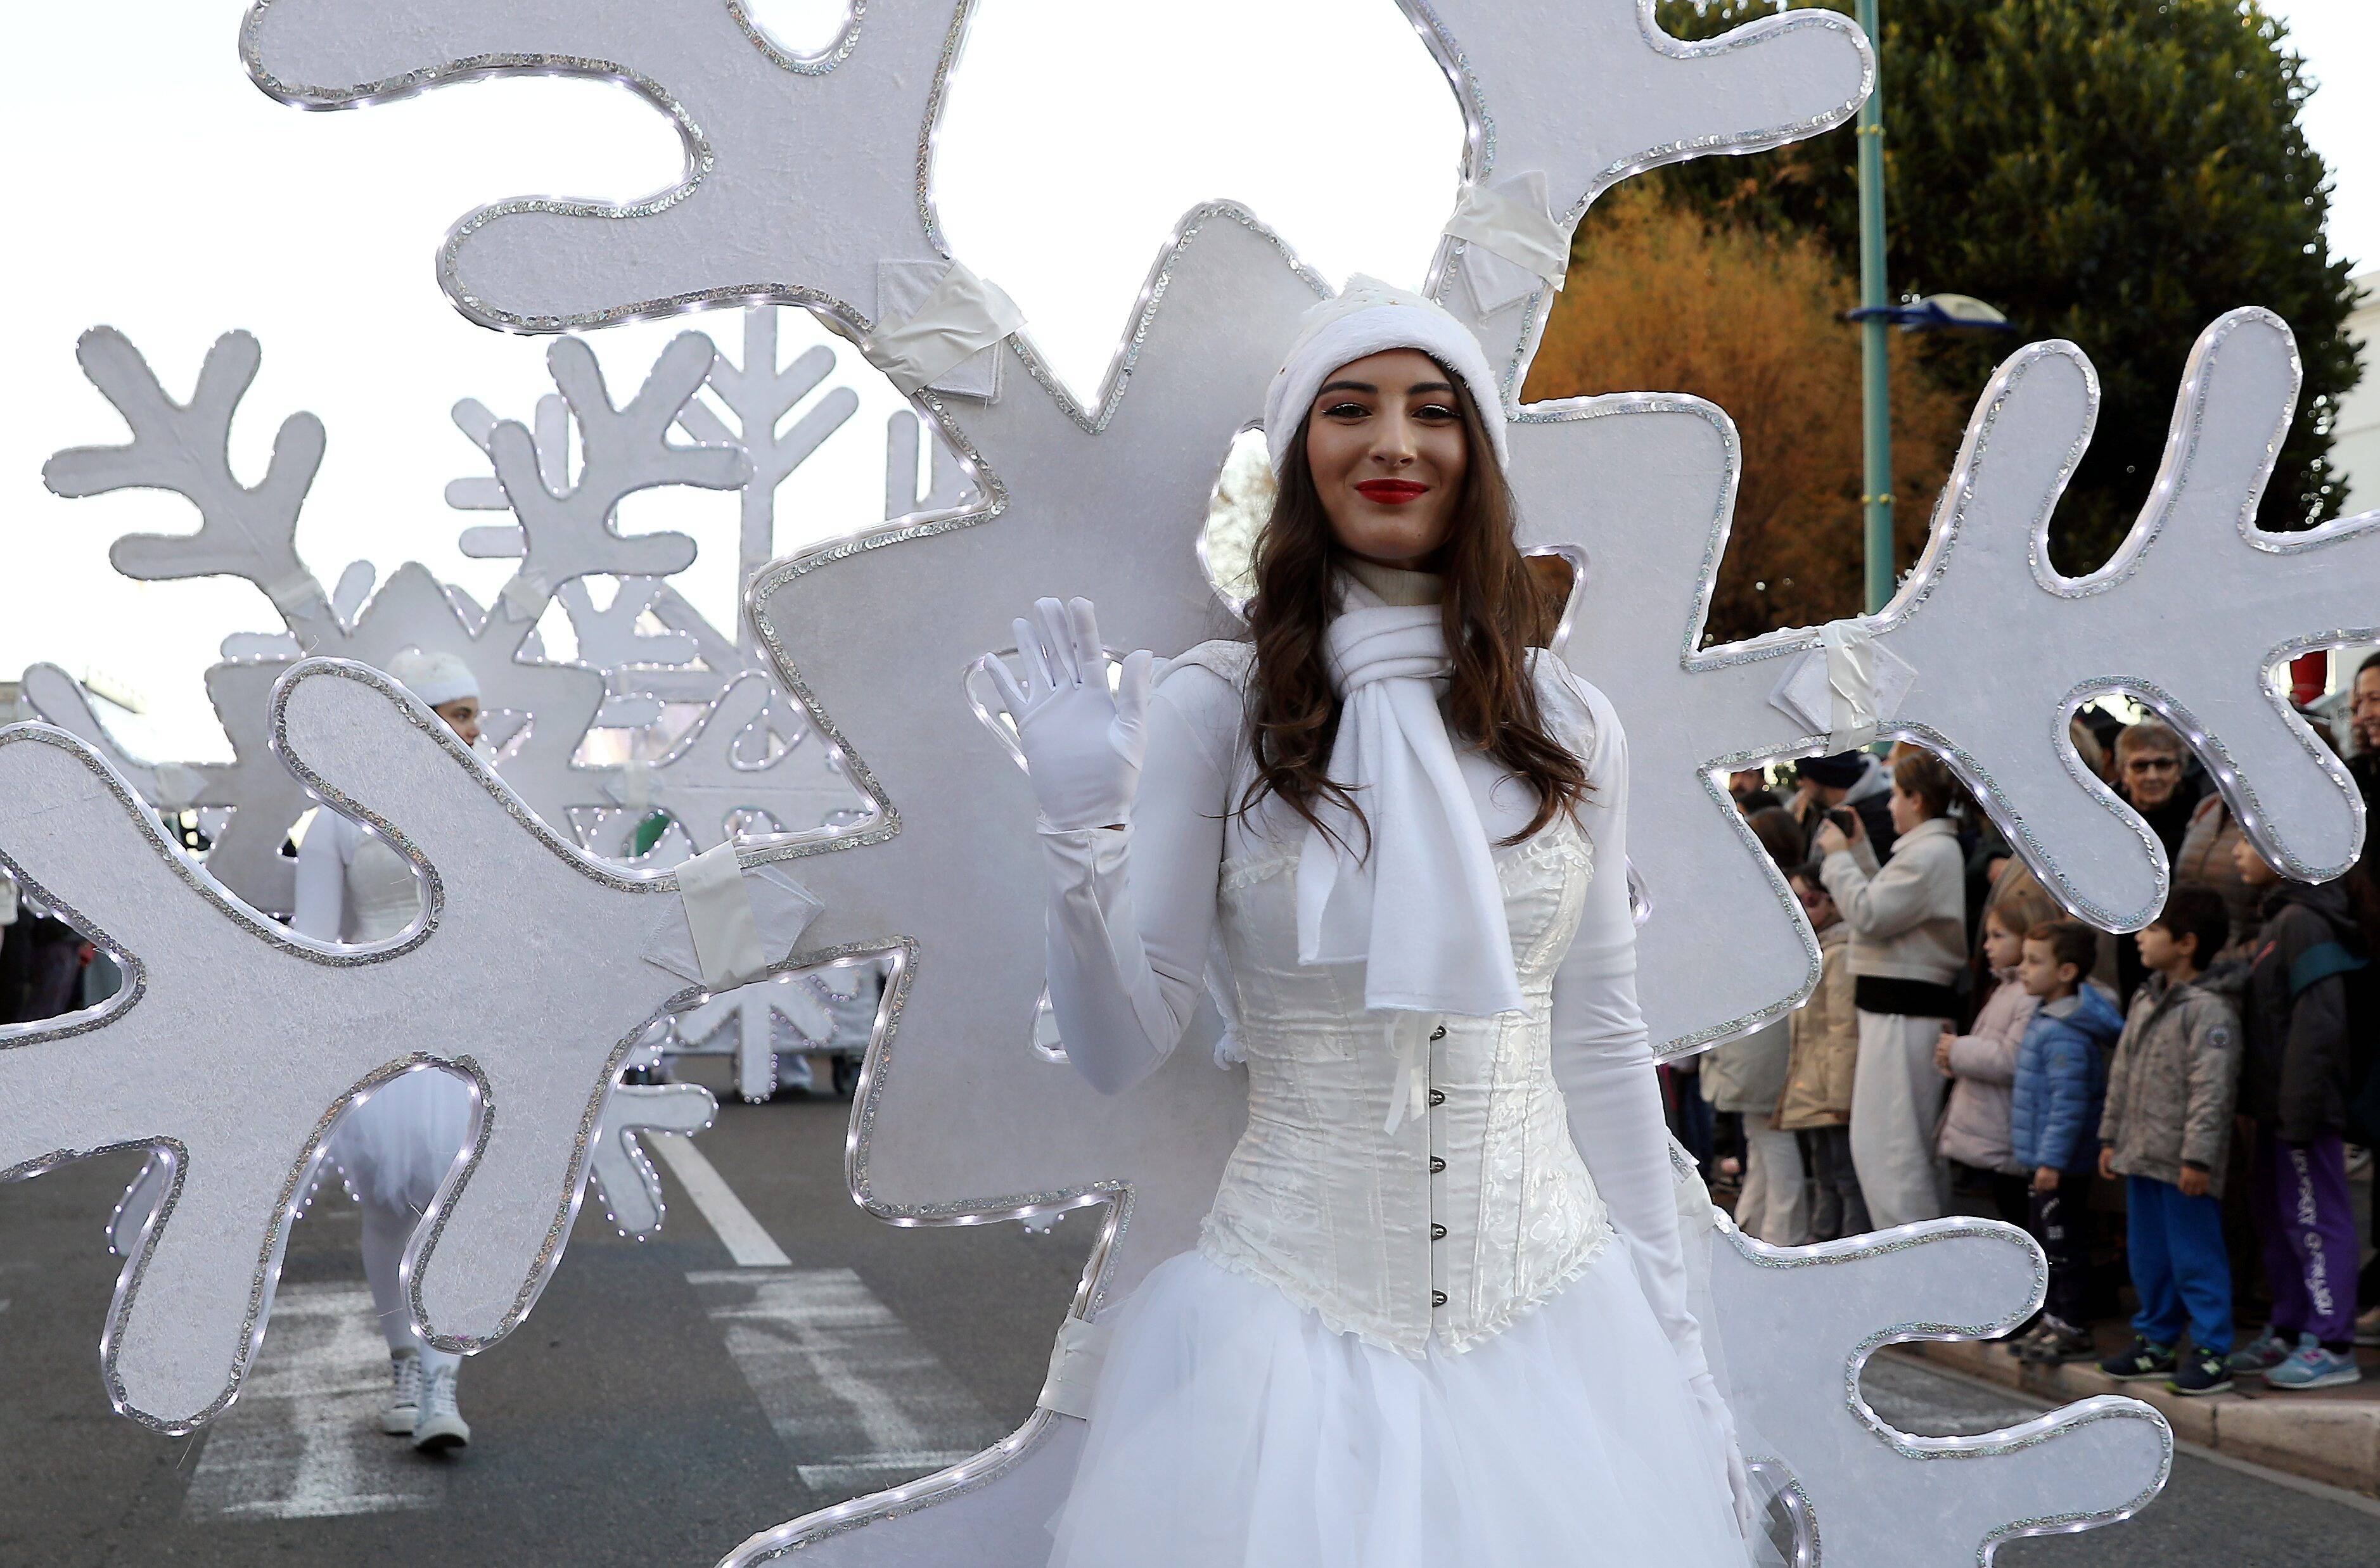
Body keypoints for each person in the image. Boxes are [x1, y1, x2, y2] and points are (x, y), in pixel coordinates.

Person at [990, 278, 1754, 1564]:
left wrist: (1681, 1361)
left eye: (1431, 410)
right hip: (1285, 1336)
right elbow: (1126, 1044)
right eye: (1350, 409)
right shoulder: (1216, 706)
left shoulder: (1569, 721)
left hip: (1558, 1329)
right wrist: (1080, 836)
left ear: (1478, 459)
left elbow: (1603, 1043)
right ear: (1301, 458)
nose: (1393, 442)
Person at [293, 647, 482, 1451]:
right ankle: (404, 1360)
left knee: (459, 1207)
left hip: (472, 1026)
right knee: (387, 1207)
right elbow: (312, 938)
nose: (474, 727)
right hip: (378, 1034)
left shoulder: (492, 804)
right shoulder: (337, 815)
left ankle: (443, 1380)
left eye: (476, 711)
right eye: (457, 710)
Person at [2094, 886, 2244, 1396]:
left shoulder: (2210, 1012)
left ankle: (2211, 1348)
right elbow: (2123, 1070)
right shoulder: (2146, 997)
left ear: (2186, 943)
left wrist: (2198, 1155)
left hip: (2183, 1164)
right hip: (2141, 1152)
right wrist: (2110, 1135)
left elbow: (2213, 1090)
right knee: (2149, 1256)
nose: (2140, 937)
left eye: (2153, 929)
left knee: (2195, 1256)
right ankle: (2156, 1340)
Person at [2229, 836, 2367, 1390]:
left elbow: (2320, 1022)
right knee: (2279, 1220)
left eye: (2248, 839)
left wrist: (2300, 1109)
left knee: (2314, 1222)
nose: (2238, 851)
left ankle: (2332, 1342)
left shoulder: (2305, 923)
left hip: (2304, 1113)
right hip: (2274, 1111)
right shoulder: (2279, 919)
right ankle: (2289, 1327)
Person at [1815, 750, 1967, 1230]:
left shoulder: (1932, 853)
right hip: (1892, 1012)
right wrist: (1858, 853)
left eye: (1899, 794)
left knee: (1894, 1151)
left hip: (1905, 1015)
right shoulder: (1923, 853)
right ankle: (1912, 1258)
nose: (1892, 806)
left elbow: (1869, 914)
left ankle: (1919, 1267)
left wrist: (1839, 858)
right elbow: (1884, 903)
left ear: (1918, 799)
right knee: (1883, 1145)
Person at [2007, 919, 2121, 1365]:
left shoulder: (2067, 1034)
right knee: (2046, 1242)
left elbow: (2068, 1106)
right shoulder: (2048, 1018)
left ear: (2067, 972)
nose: (2023, 969)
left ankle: (2073, 1323)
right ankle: (2052, 1317)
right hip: (2043, 1161)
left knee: (2062, 1244)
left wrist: (2051, 1160)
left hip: (2060, 1166)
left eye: (2035, 961)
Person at [1702, 808, 1807, 1244]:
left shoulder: (1770, 897)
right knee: (1761, 1136)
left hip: (1763, 1030)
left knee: (1772, 1135)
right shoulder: (1769, 895)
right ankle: (1755, 1224)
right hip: (1756, 1027)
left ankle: (1783, 1235)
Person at [1934, 886, 2056, 1228]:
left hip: (2004, 1140)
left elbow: (2011, 1060)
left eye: (1998, 936)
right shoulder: (2006, 989)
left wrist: (1957, 1050)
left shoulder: (2029, 996)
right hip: (1991, 1134)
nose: (1987, 946)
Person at [1775, 864, 1867, 1240]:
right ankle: (1826, 1240)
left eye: (1809, 900)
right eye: (1794, 899)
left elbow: (1843, 1032)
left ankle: (1848, 1247)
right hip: (1814, 1084)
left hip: (1830, 1088)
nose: (1801, 908)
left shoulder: (1841, 955)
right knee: (1825, 1172)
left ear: (1834, 902)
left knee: (1844, 1176)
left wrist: (1839, 1095)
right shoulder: (1817, 952)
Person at [2109, 720, 2204, 1005]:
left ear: (2180, 770)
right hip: (2114, 949)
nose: (2152, 776)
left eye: (2163, 765)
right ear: (2123, 772)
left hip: (2179, 950)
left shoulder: (2202, 819)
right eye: (2140, 766)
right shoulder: (2101, 819)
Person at [1791, 751, 1896, 862]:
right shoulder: (1820, 810)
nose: (1800, 783)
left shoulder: (1880, 818)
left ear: (1820, 777)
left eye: (1801, 774)